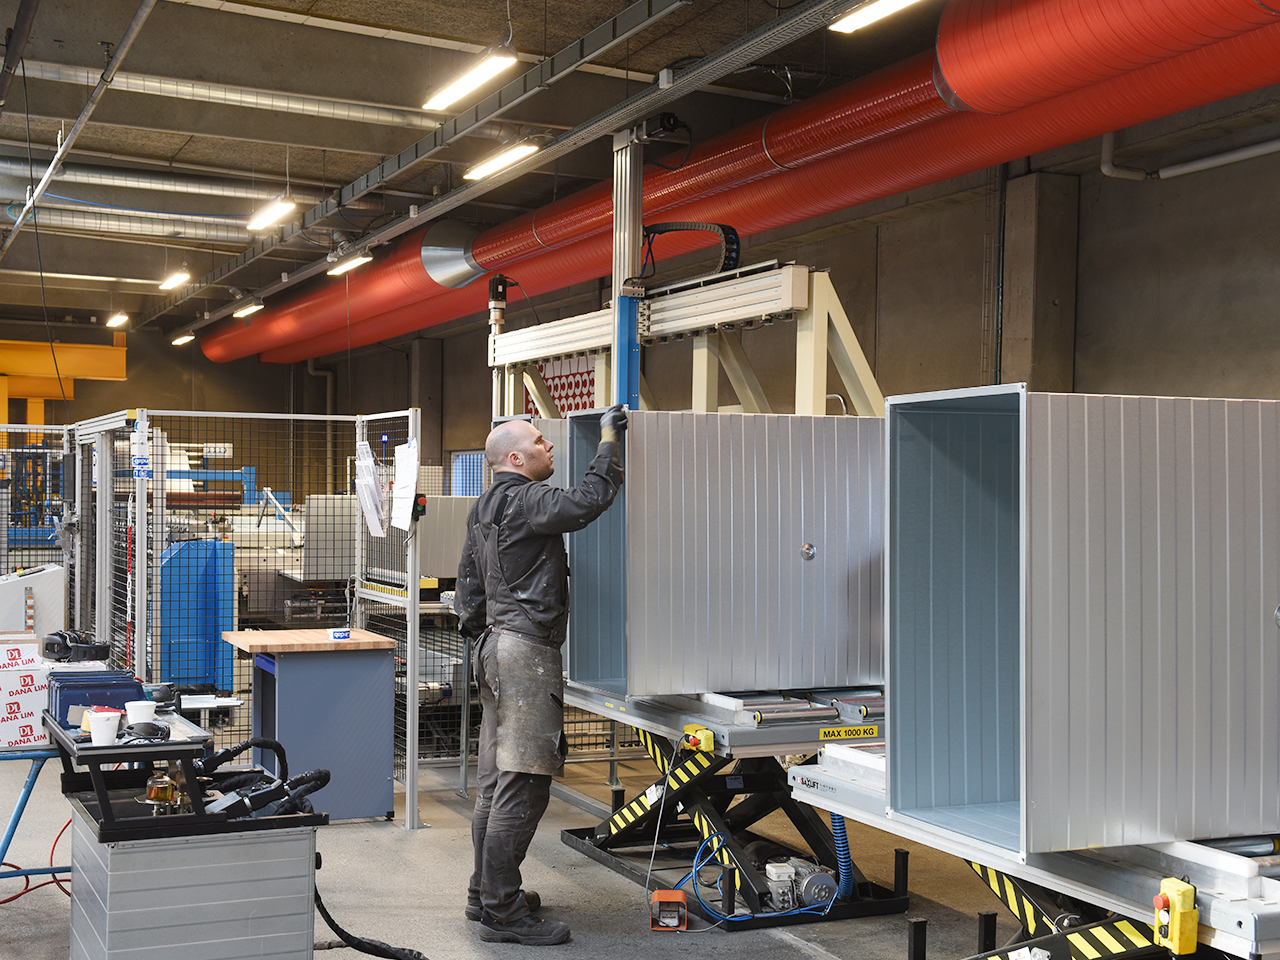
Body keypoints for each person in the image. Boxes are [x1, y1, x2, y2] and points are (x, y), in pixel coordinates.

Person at [455, 407, 627, 946]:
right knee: (524, 785)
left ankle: (485, 895)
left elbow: (468, 587)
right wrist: (609, 440)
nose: (548, 445)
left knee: (494, 784)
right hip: (524, 654)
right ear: (515, 457)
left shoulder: (483, 506)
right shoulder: (527, 499)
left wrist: (487, 639)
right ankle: (504, 914)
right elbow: (589, 500)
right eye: (538, 441)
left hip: (493, 649)